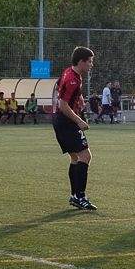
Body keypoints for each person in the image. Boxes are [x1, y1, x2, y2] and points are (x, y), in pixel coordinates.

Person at [54, 46, 97, 210]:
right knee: (85, 156)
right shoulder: (73, 79)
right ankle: (81, 196)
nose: (91, 65)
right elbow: (63, 104)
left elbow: (60, 88)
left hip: (60, 121)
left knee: (75, 158)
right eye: (90, 62)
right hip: (66, 121)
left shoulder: (69, 73)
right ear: (81, 61)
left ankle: (74, 195)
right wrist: (79, 120)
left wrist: (79, 98)